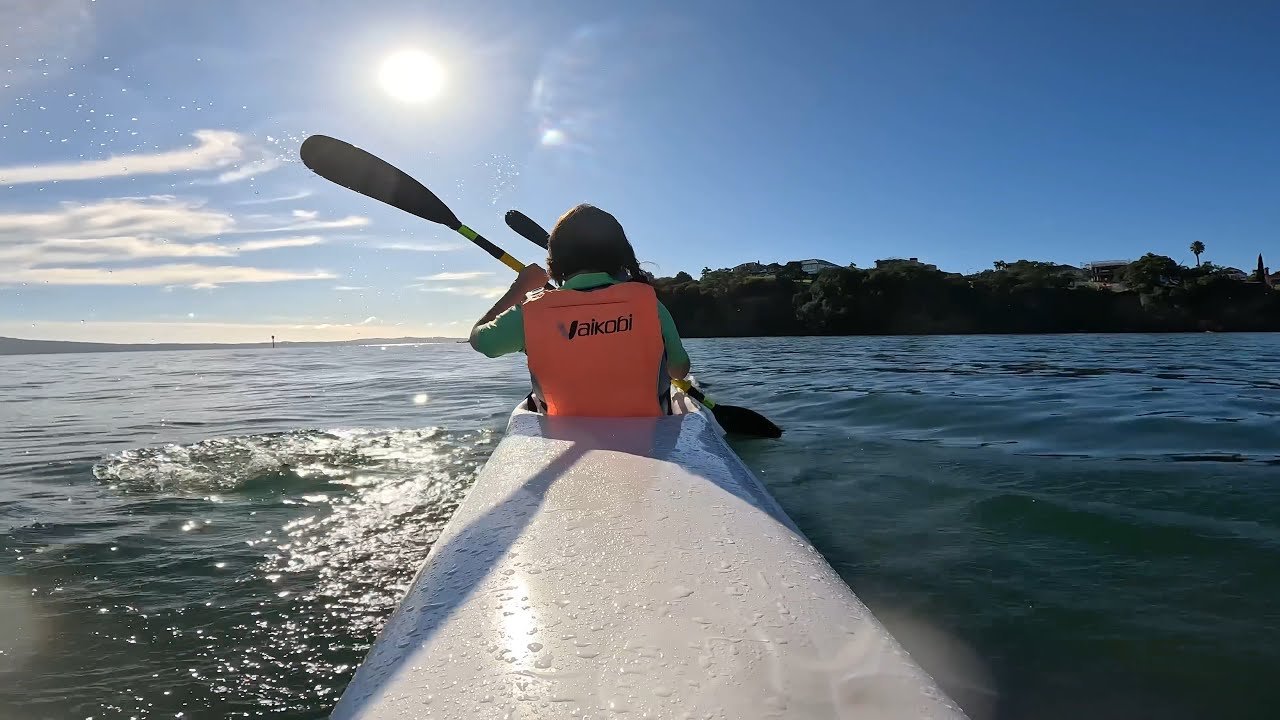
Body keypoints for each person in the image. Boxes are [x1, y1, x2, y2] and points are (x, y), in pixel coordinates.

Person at [469, 204, 691, 417]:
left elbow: (479, 340)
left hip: (564, 435)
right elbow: (678, 370)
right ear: (621, 256)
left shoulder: (530, 312)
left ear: (555, 261)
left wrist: (520, 288)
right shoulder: (649, 304)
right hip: (648, 438)